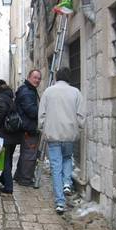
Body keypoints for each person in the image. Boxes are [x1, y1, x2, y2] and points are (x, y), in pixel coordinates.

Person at [38, 67, 85, 214]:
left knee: (56, 167)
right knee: (67, 158)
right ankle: (67, 183)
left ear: (57, 77)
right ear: (69, 78)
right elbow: (81, 116)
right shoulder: (76, 92)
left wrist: (43, 128)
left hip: (53, 135)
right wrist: (78, 127)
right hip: (69, 135)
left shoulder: (48, 92)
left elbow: (42, 115)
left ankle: (60, 203)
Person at [0, 79, 22, 194]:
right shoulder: (10, 96)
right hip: (14, 132)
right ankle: (4, 178)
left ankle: (8, 187)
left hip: (5, 133)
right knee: (8, 158)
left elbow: (2, 110)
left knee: (5, 160)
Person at [14, 69, 42, 186]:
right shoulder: (27, 92)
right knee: (29, 154)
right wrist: (43, 112)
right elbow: (31, 111)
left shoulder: (29, 90)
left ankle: (19, 176)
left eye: (39, 78)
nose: (37, 80)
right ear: (29, 77)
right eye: (35, 77)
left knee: (26, 153)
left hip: (27, 127)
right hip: (28, 128)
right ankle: (25, 179)